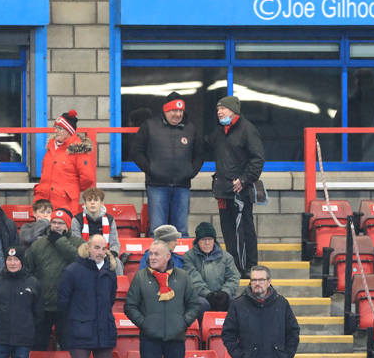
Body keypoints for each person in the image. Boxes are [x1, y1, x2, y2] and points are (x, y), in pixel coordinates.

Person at [125, 240, 201, 358]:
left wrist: (183, 323)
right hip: (149, 339)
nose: (152, 257)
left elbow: (194, 304)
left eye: (156, 254)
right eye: (150, 254)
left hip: (176, 338)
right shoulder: (140, 277)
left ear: (168, 256)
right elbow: (130, 306)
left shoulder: (183, 276)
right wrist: (145, 323)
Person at [204, 95, 264, 278]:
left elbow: (258, 158)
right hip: (223, 191)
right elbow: (205, 143)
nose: (219, 112)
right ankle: (235, 267)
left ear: (234, 111)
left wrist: (245, 179)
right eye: (217, 110)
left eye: (223, 109)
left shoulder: (247, 129)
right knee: (229, 231)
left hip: (240, 192)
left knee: (243, 231)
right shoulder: (221, 131)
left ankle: (247, 268)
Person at [132, 91, 204, 236]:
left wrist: (191, 172)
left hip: (182, 187)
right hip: (156, 186)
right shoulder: (150, 126)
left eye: (180, 110)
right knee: (158, 231)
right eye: (173, 110)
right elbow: (136, 152)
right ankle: (157, 259)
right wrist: (151, 170)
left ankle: (179, 259)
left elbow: (199, 154)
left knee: (181, 231)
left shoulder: (190, 129)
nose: (177, 114)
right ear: (165, 110)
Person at [56, 235, 118, 358]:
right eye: (97, 247)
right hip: (80, 333)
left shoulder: (110, 271)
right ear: (88, 247)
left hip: (104, 331)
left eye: (104, 248)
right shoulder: (72, 271)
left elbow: (111, 299)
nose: (101, 252)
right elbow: (63, 303)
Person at [24, 209, 86, 351]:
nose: (56, 226)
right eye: (54, 222)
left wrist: (60, 241)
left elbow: (81, 260)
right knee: (38, 347)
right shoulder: (38, 245)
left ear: (68, 226)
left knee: (68, 347)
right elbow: (28, 272)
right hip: (43, 306)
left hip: (68, 308)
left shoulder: (79, 243)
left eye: (61, 223)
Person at [34, 109, 96, 215]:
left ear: (69, 131)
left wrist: (70, 189)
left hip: (64, 203)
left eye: (60, 128)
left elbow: (88, 178)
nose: (56, 131)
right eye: (56, 128)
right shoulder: (51, 148)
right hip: (43, 202)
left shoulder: (78, 150)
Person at [183, 222, 241, 314]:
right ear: (197, 241)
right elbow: (193, 279)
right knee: (202, 304)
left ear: (214, 240)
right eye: (203, 239)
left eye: (210, 239)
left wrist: (225, 293)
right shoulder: (189, 257)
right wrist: (208, 295)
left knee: (237, 303)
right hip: (201, 296)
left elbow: (233, 277)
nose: (207, 243)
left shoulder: (226, 256)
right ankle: (202, 327)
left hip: (223, 294)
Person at [71, 187, 123, 275]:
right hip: (85, 255)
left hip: (105, 254)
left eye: (95, 200)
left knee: (117, 263)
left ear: (102, 203)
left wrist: (110, 255)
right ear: (85, 204)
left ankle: (118, 287)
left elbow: (115, 243)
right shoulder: (77, 219)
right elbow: (77, 243)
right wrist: (91, 253)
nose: (92, 203)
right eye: (89, 200)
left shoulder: (110, 219)